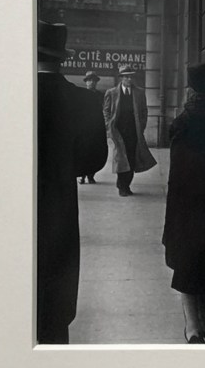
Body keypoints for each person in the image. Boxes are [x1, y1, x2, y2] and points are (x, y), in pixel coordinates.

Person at [37, 22, 108, 343]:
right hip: (58, 201)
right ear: (61, 58)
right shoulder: (84, 100)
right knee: (54, 294)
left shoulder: (9, 95)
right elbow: (95, 160)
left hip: (10, 206)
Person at [162, 63, 205, 343]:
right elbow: (182, 168)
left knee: (201, 266)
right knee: (190, 267)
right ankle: (192, 328)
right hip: (191, 207)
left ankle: (202, 325)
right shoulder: (187, 120)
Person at [102, 66, 156, 195]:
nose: (129, 79)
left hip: (134, 131)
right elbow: (106, 111)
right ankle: (122, 186)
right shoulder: (112, 92)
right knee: (121, 158)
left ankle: (126, 184)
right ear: (121, 78)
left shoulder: (139, 92)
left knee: (132, 158)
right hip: (118, 132)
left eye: (131, 76)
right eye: (126, 76)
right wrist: (109, 125)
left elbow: (144, 111)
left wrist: (141, 126)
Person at [78, 71, 105, 184]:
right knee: (83, 152)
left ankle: (91, 176)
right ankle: (82, 176)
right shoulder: (81, 94)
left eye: (94, 80)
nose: (91, 82)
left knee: (94, 152)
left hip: (96, 127)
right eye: (89, 80)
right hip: (84, 128)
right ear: (86, 82)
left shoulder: (100, 95)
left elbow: (104, 109)